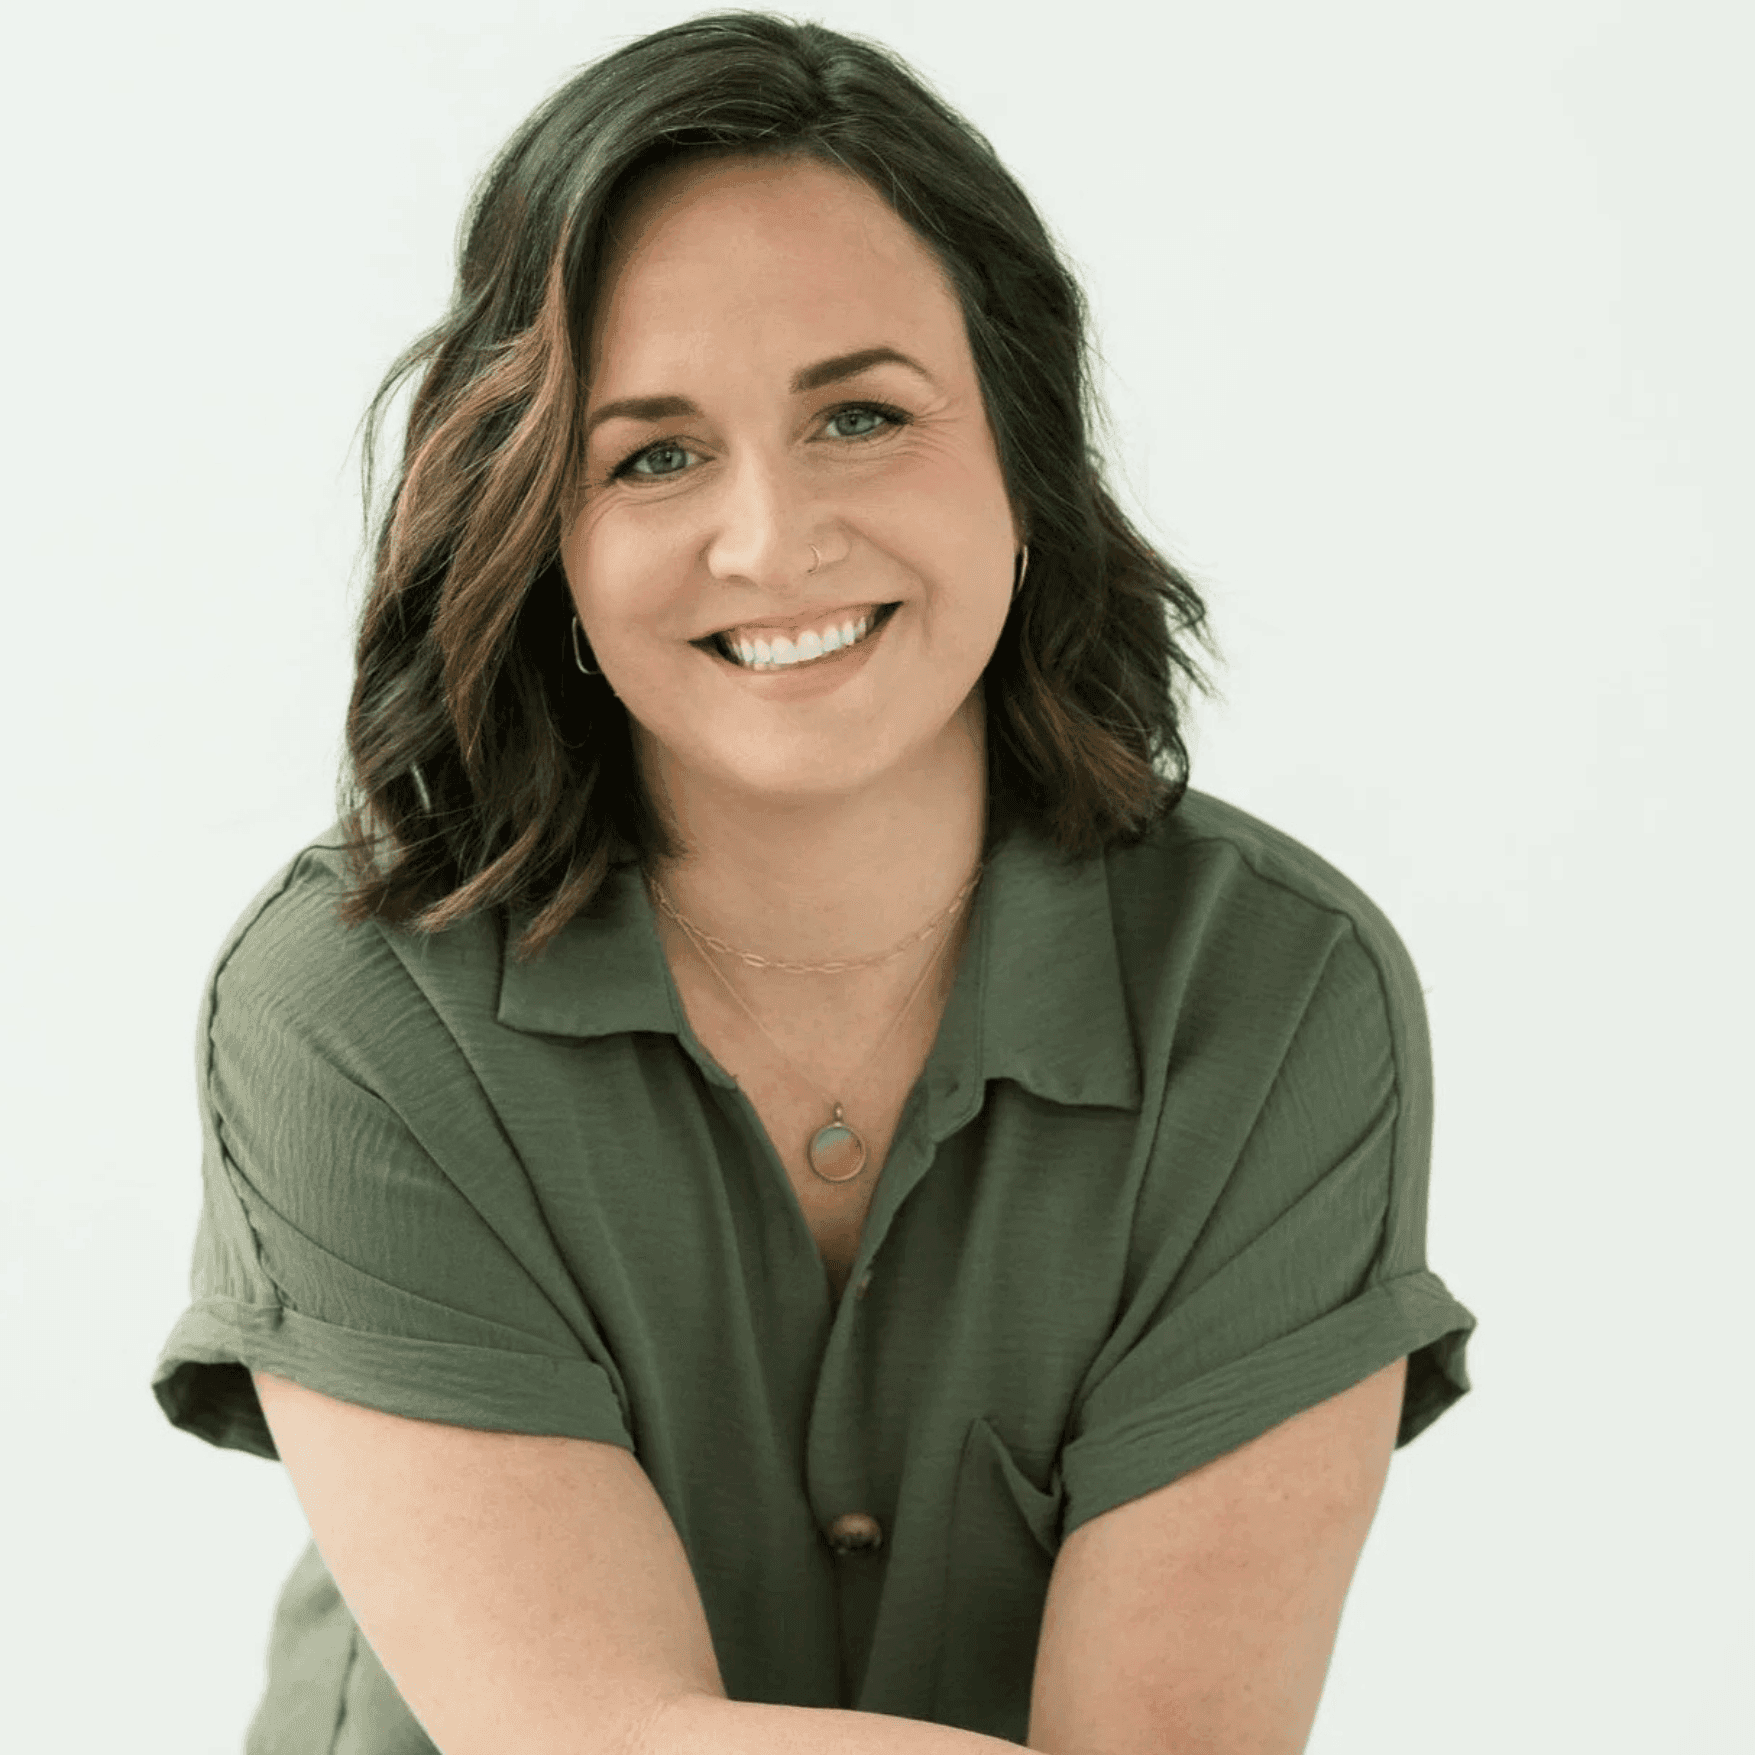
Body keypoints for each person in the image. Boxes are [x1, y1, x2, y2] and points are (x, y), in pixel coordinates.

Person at [151, 12, 1477, 1754]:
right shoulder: (354, 1002)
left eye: (858, 413)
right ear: (543, 521)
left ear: (1022, 443)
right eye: (653, 453)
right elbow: (601, 1738)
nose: (772, 540)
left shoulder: (1276, 991)